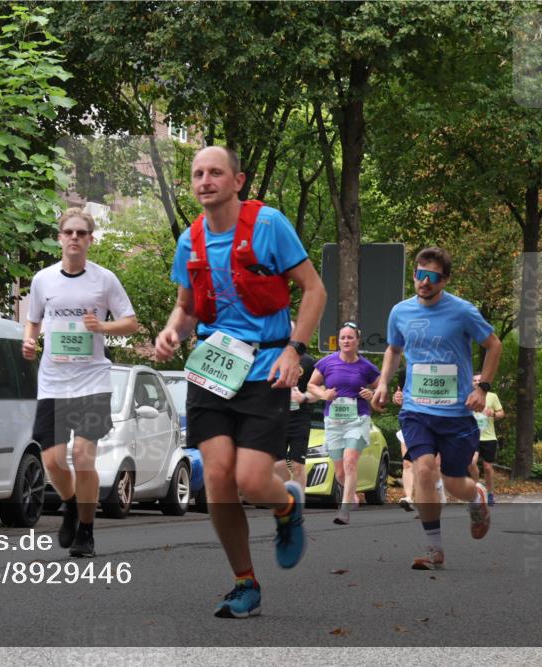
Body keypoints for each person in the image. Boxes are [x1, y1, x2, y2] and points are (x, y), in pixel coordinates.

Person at [154, 146, 326, 618]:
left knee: (252, 480)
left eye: (215, 172)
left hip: (265, 366)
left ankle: (286, 506)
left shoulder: (269, 225)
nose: (205, 180)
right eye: (197, 174)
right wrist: (172, 331)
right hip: (211, 368)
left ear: (238, 180)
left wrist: (295, 349)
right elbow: (187, 308)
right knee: (217, 477)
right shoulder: (190, 239)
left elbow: (315, 289)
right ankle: (244, 582)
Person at [373, 246, 502, 571]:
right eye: (419, 274)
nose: (424, 282)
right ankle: (434, 549)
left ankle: (477, 498)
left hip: (456, 414)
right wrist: (385, 383)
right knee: (425, 469)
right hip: (417, 411)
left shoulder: (462, 311)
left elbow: (493, 345)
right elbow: (393, 348)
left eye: (432, 277)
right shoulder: (400, 311)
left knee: (455, 482)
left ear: (444, 280)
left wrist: (481, 387)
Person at [22, 208, 138, 558]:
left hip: (92, 381)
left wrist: (102, 327)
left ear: (90, 240)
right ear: (59, 238)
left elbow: (131, 323)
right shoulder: (43, 280)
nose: (74, 238)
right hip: (54, 383)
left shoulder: (105, 280)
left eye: (81, 233)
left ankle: (86, 531)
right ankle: (71, 504)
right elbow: (33, 322)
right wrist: (29, 341)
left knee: (83, 456)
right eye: (68, 232)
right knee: (54, 461)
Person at [308, 322, 382, 525]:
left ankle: (344, 510)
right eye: (343, 338)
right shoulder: (326, 362)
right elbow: (311, 385)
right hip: (333, 422)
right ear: (338, 341)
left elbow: (382, 392)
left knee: (350, 461)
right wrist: (324, 394)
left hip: (357, 420)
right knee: (340, 471)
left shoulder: (366, 367)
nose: (346, 341)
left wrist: (373, 393)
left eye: (350, 337)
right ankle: (352, 494)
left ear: (358, 341)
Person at [395, 389, 446, 515]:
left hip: (435, 424)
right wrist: (397, 398)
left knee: (430, 467)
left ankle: (438, 492)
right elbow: (399, 396)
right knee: (408, 463)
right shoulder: (405, 373)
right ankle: (409, 498)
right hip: (411, 424)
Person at [277, 334, 315, 492]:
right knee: (278, 464)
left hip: (300, 419)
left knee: (297, 465)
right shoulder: (274, 358)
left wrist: (304, 397)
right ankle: (285, 500)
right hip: (278, 418)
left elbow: (319, 391)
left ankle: (298, 504)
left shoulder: (309, 361)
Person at [469, 373, 503, 506]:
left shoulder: (492, 396)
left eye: (479, 380)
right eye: (475, 380)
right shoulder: (468, 396)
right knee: (471, 463)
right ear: (472, 383)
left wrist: (493, 413)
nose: (477, 382)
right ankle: (476, 491)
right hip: (473, 436)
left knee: (488, 467)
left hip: (489, 437)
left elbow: (501, 413)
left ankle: (489, 493)